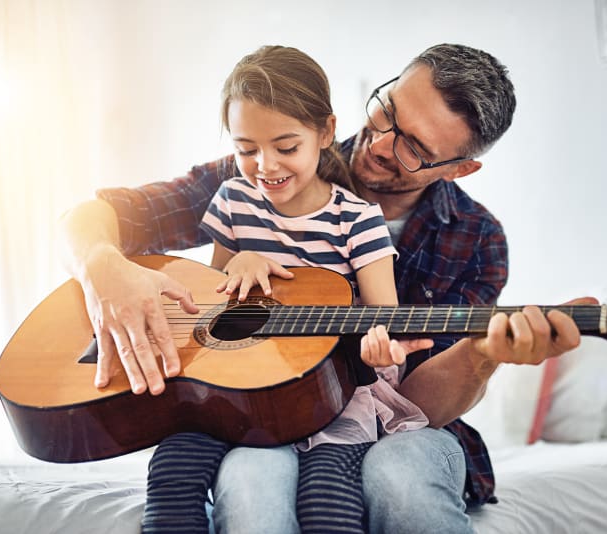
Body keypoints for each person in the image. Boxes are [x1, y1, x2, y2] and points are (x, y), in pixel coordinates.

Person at [60, 43, 590, 533]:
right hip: (262, 414)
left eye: (413, 147)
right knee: (247, 481)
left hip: (394, 420)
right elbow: (93, 216)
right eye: (387, 112)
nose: (379, 143)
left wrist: (482, 354)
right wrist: (102, 266)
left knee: (399, 480)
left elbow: (417, 399)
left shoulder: (478, 240)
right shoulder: (271, 163)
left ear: (459, 168)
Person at [141, 45, 430, 534]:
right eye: (246, 148)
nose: (265, 165)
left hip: (332, 394)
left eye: (286, 146)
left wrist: (383, 350)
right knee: (171, 473)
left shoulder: (357, 220)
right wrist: (242, 260)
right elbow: (216, 302)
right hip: (236, 387)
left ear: (326, 133)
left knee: (328, 508)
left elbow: (384, 321)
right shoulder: (234, 198)